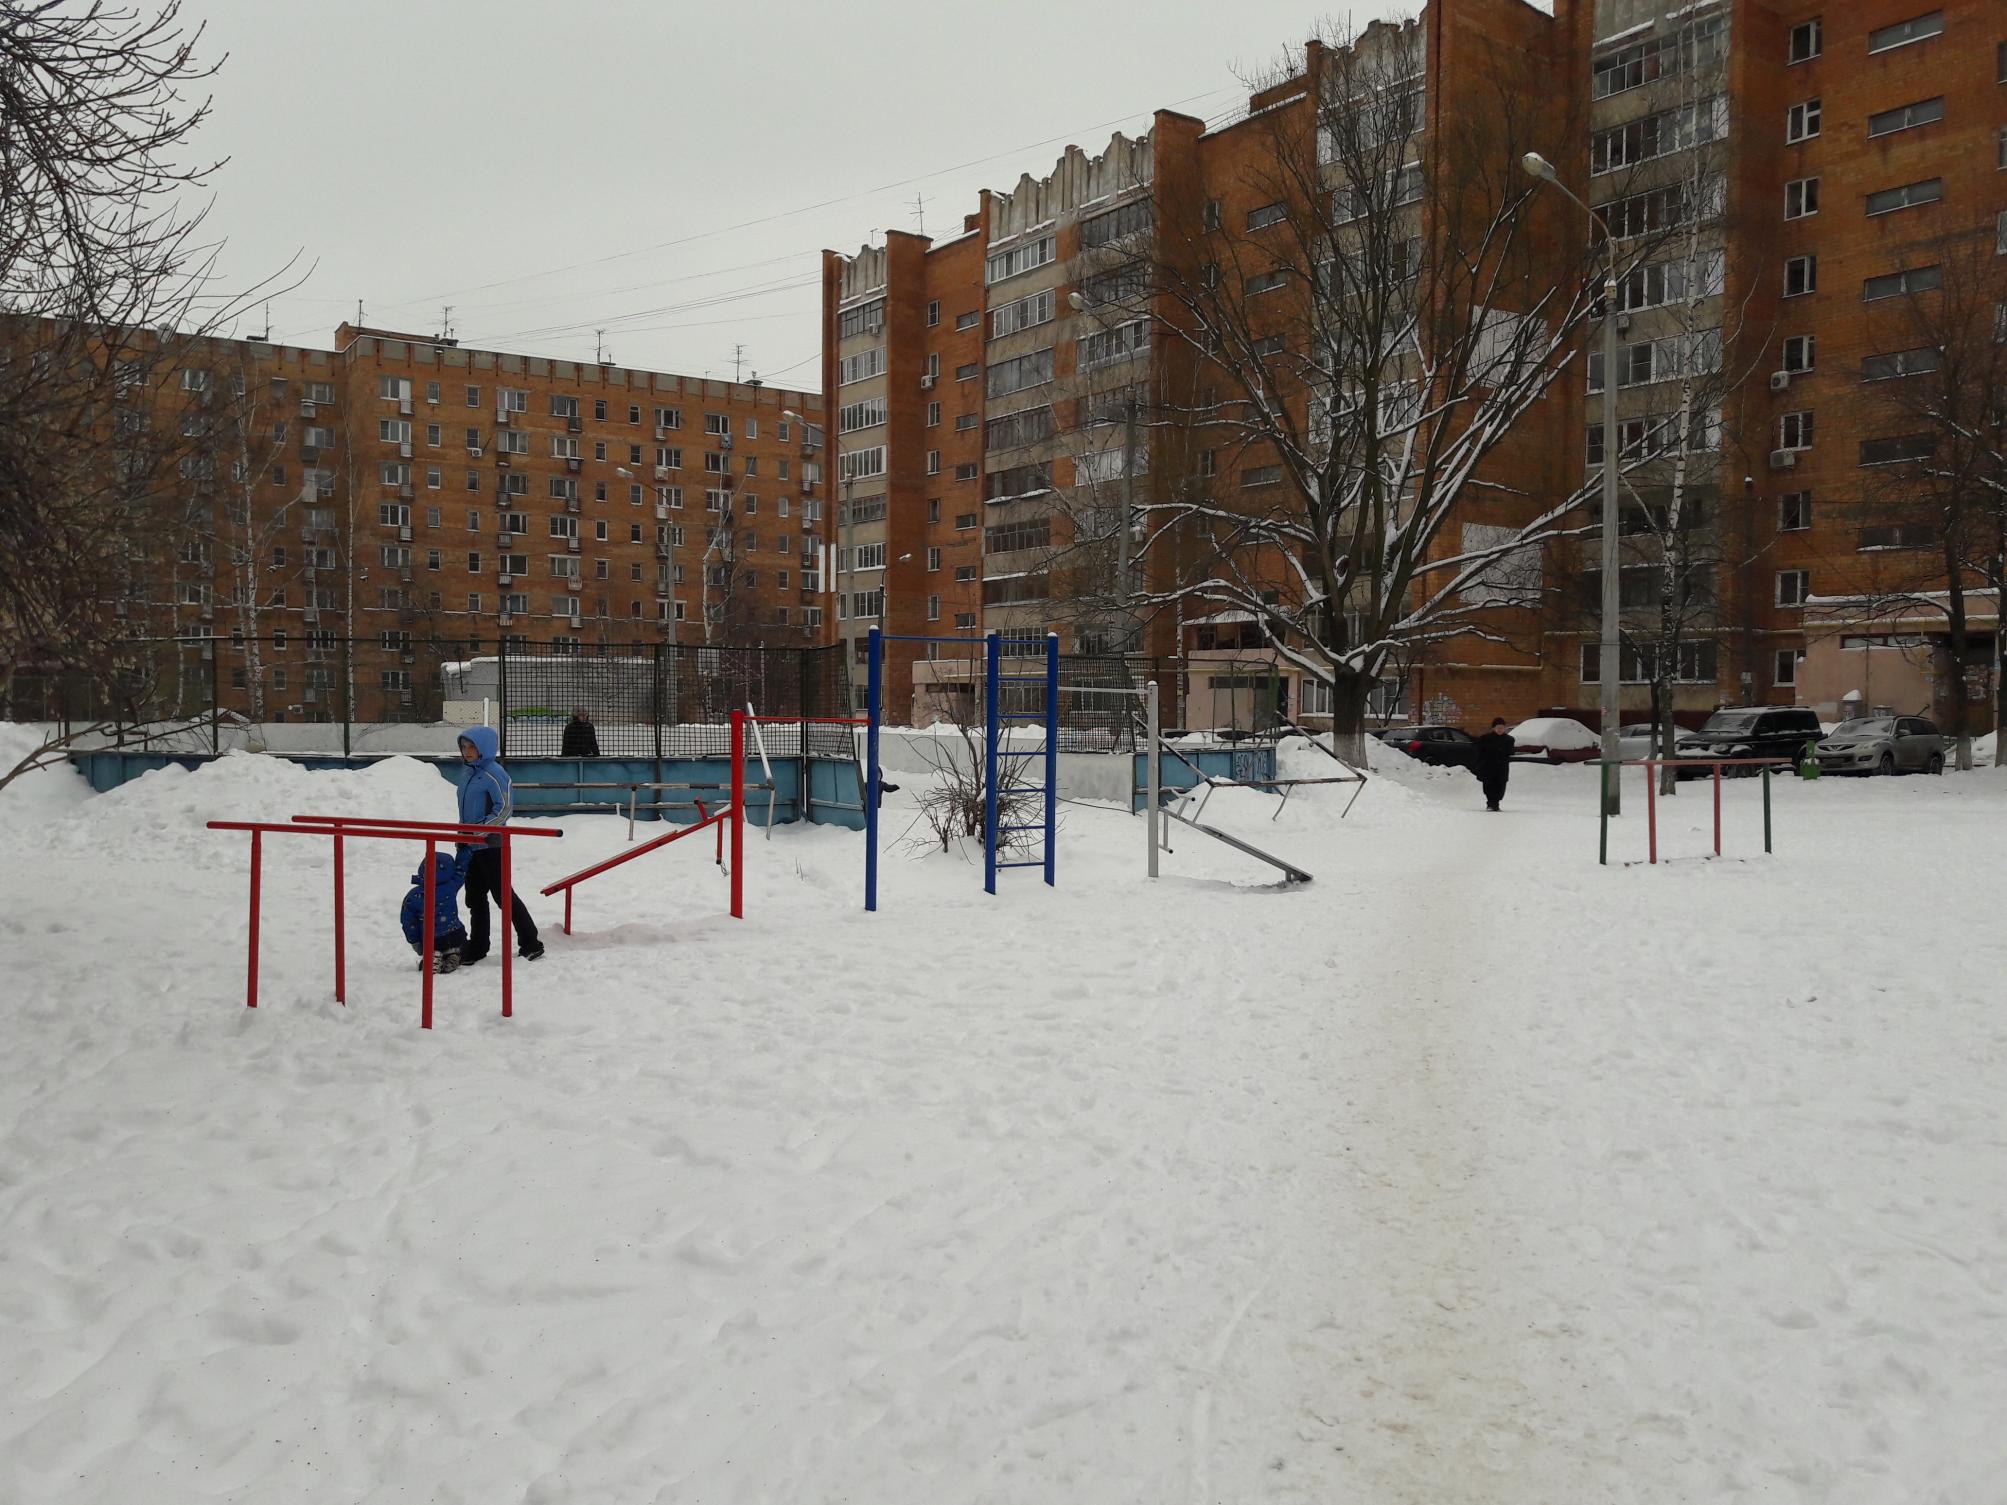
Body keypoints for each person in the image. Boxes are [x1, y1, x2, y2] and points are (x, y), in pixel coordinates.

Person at [454, 725, 544, 964]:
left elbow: (504, 809)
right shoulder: (467, 773)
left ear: (483, 748)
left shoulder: (495, 773)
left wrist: (479, 831)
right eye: (464, 747)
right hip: (470, 845)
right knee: (474, 898)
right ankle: (478, 946)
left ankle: (531, 943)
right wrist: (463, 835)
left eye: (472, 746)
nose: (467, 751)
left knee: (503, 896)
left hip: (491, 846)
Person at [400, 851, 468, 973]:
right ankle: (454, 953)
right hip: (455, 933)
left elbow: (408, 921)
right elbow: (461, 869)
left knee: (431, 943)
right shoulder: (451, 886)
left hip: (431, 937)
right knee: (460, 944)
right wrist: (464, 849)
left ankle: (433, 956)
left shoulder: (414, 895)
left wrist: (415, 941)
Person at [1473, 717, 1515, 812]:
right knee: (1489, 786)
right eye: (1498, 727)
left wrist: (1502, 751)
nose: (1500, 729)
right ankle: (1491, 804)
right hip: (1489, 766)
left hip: (1502, 767)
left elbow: (1511, 752)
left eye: (1502, 727)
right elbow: (1479, 751)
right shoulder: (1485, 738)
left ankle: (1496, 803)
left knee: (1500, 786)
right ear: (1493, 728)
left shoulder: (1509, 739)